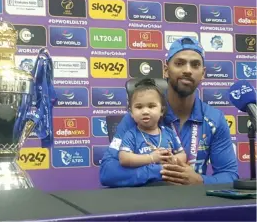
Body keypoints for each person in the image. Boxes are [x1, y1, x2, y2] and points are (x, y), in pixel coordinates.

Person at [100, 36, 239, 187]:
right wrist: (159, 170)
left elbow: (230, 175)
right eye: (179, 64)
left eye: (195, 65)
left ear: (203, 73)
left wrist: (200, 180)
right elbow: (107, 172)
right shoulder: (139, 117)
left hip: (193, 204)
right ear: (166, 70)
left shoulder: (214, 119)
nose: (187, 70)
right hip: (147, 204)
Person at [118, 79, 187, 168]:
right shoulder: (131, 135)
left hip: (169, 180)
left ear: (161, 111)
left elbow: (182, 155)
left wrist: (172, 159)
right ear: (131, 113)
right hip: (143, 181)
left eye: (151, 106)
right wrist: (151, 158)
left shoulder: (169, 133)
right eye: (139, 107)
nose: (145, 111)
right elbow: (124, 158)